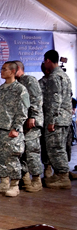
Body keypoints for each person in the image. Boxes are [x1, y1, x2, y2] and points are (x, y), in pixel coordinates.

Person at [0, 61, 29, 197]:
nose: (1, 71)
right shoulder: (0, 89)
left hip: (11, 130)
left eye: (4, 69)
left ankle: (14, 185)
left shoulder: (20, 89)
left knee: (12, 158)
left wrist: (16, 128)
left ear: (12, 71)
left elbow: (23, 111)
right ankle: (4, 183)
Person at [42, 49, 73, 189]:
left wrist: (52, 120)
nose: (44, 64)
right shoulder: (64, 75)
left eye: (44, 61)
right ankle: (59, 175)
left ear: (48, 60)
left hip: (57, 119)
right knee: (59, 147)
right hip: (65, 118)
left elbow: (56, 99)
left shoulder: (54, 77)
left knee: (55, 148)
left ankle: (63, 177)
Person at [14, 60, 44, 192]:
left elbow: (36, 99)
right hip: (21, 123)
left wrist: (33, 116)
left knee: (32, 151)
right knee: (22, 152)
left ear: (18, 68)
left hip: (31, 122)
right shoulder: (16, 83)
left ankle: (37, 180)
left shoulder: (29, 80)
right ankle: (25, 179)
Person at [38, 63, 52, 178]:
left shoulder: (58, 80)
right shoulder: (40, 83)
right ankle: (47, 167)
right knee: (46, 144)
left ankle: (62, 170)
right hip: (45, 118)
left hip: (58, 117)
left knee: (62, 146)